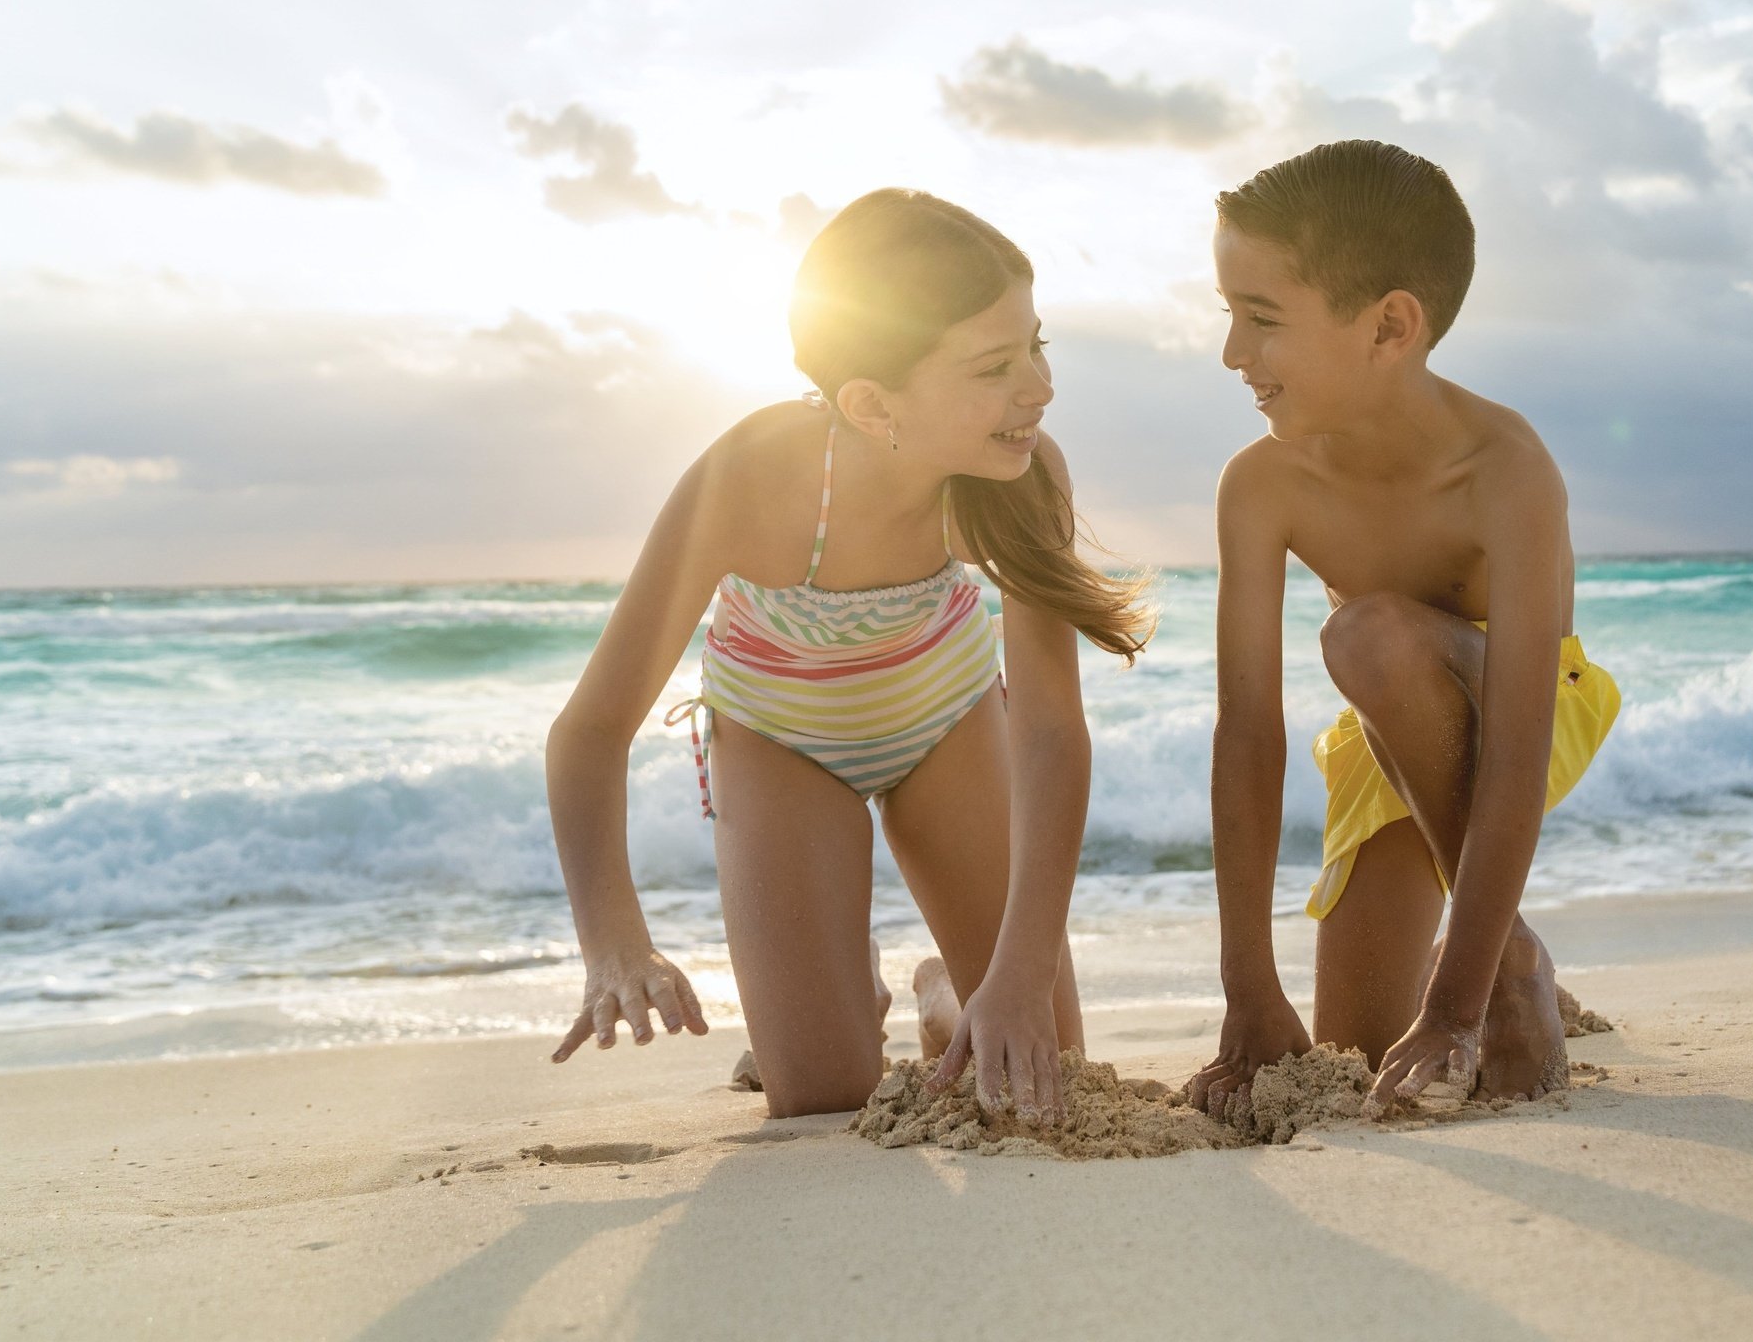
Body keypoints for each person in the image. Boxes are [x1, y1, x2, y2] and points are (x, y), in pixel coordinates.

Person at [545, 189, 1149, 1121]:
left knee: (1041, 1073)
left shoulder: (1023, 474)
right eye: (995, 364)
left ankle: (946, 989)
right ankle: (844, 980)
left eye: (1039, 344)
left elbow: (1049, 735)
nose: (1039, 385)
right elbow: (589, 731)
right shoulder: (752, 474)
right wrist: (615, 942)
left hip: (945, 716)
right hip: (781, 739)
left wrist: (1022, 970)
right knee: (824, 1098)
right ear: (872, 403)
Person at [1183, 141, 1621, 1119]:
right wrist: (1249, 990)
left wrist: (1468, 1004)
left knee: (1365, 636)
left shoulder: (1504, 472)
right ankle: (1489, 949)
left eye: (1261, 320)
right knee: (1362, 1049)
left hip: (1533, 706)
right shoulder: (1262, 486)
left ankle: (1508, 960)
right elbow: (1248, 733)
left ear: (1389, 325)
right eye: (1229, 316)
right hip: (1381, 744)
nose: (1232, 355)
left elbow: (1514, 752)